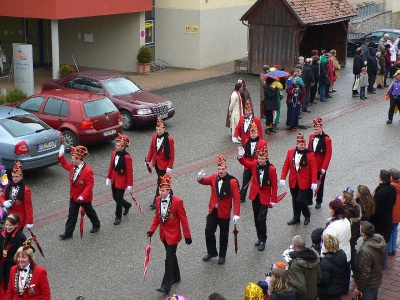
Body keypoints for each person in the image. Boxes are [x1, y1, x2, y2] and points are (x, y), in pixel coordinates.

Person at [147, 174, 192, 295]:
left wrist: (187, 235)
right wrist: (151, 230)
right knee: (171, 256)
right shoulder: (157, 200)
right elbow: (157, 217)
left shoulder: (177, 201)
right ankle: (176, 276)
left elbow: (184, 219)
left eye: (163, 191)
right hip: (163, 235)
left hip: (173, 235)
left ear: (169, 190)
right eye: (159, 190)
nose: (160, 193)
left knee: (168, 259)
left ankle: (166, 285)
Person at [197, 156, 240, 265]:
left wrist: (236, 214)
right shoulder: (213, 178)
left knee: (223, 235)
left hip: (224, 212)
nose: (221, 171)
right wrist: (200, 177)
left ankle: (222, 255)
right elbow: (203, 181)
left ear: (226, 169)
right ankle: (212, 252)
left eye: (223, 169)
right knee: (208, 232)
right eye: (219, 169)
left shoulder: (232, 181)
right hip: (213, 211)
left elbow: (236, 199)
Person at [238, 145, 277, 251]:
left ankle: (263, 240)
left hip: (265, 198)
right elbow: (245, 163)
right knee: (256, 218)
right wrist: (240, 156)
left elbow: (274, 185)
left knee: (261, 219)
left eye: (262, 159)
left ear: (266, 159)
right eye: (259, 158)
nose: (260, 160)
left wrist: (274, 200)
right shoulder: (254, 164)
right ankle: (259, 237)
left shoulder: (271, 169)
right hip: (255, 195)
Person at [58, 145, 101, 239]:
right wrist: (61, 156)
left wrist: (83, 196)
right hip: (74, 196)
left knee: (89, 212)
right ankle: (68, 232)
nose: (71, 160)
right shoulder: (72, 166)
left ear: (78, 159)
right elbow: (65, 165)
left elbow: (89, 186)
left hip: (84, 197)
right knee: (72, 214)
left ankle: (96, 224)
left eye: (73, 159)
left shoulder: (88, 171)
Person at [280, 133, 317, 226]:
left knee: (300, 200)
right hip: (293, 181)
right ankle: (296, 218)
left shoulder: (310, 154)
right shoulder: (290, 152)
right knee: (295, 200)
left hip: (304, 181)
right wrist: (283, 177)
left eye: (304, 144)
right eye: (301, 144)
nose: (303, 146)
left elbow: (313, 168)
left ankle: (307, 215)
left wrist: (314, 182)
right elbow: (286, 165)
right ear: (297, 144)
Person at [146, 118, 175, 209]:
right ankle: (170, 194)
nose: (158, 131)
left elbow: (172, 154)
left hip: (164, 165)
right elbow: (151, 149)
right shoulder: (154, 137)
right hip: (157, 163)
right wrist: (148, 160)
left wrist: (169, 166)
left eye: (160, 129)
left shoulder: (169, 139)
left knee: (159, 182)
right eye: (157, 129)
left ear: (164, 129)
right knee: (163, 182)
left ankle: (156, 201)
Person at [353, 221, 386, 300]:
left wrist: (359, 288)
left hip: (369, 284)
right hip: (377, 279)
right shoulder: (379, 240)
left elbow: (364, 273)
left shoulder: (365, 251)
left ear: (363, 234)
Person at [370, 169, 396, 268]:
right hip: (388, 218)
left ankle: (380, 264)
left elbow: (377, 210)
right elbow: (393, 202)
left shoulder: (380, 192)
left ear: (381, 178)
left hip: (380, 222)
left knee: (378, 243)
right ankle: (384, 263)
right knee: (384, 243)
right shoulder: (392, 189)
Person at [106, 134, 133, 225]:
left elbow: (129, 171)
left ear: (123, 147)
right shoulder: (113, 154)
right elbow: (111, 166)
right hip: (114, 179)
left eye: (118, 145)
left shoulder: (127, 157)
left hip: (121, 181)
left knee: (118, 199)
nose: (116, 147)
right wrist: (108, 177)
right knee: (115, 196)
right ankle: (127, 205)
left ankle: (118, 217)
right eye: (116, 145)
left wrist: (130, 184)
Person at [238, 122, 268, 203]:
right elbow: (244, 153)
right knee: (245, 180)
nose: (253, 135)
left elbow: (265, 155)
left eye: (255, 133)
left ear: (257, 133)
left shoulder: (262, 143)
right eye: (252, 133)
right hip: (248, 164)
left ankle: (259, 195)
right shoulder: (246, 141)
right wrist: (243, 161)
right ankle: (242, 196)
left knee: (258, 181)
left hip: (257, 165)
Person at [307, 117, 332, 209]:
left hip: (320, 166)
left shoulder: (327, 140)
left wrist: (324, 167)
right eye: (314, 129)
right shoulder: (311, 137)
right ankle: (309, 200)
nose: (315, 131)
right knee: (309, 183)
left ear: (321, 128)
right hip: (311, 165)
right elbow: (309, 150)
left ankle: (318, 200)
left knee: (320, 184)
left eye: (316, 129)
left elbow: (328, 154)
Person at [0, 162, 34, 230]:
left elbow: (28, 207)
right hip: (10, 217)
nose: (15, 179)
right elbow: (2, 197)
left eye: (17, 176)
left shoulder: (25, 190)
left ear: (21, 176)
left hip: (19, 219)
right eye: (13, 176)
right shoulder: (9, 186)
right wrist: (4, 202)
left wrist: (29, 221)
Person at [287, 235, 321, 300]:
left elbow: (300, 288)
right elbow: (319, 277)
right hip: (313, 294)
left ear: (294, 245)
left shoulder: (296, 264)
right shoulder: (314, 257)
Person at [0, 214, 26, 298]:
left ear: (16, 225)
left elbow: (23, 252)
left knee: (9, 284)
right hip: (2, 262)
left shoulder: (20, 237)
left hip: (12, 264)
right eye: (6, 224)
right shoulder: (1, 234)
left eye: (10, 225)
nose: (7, 227)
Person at [317, 234, 348, 300]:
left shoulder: (325, 263)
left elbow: (324, 281)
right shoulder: (342, 254)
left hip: (327, 293)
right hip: (338, 289)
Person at [340, 190, 361, 272]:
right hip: (354, 234)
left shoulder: (346, 212)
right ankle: (356, 268)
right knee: (352, 250)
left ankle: (355, 270)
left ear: (345, 200)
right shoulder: (355, 207)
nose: (340, 198)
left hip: (349, 237)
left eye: (342, 197)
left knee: (351, 253)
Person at [388, 168, 400, 256]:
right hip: (398, 214)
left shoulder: (390, 187)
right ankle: (393, 248)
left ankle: (389, 249)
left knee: (389, 231)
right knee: (395, 230)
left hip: (391, 213)